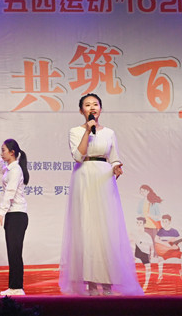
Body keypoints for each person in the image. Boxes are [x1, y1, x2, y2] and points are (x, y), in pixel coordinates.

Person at [59, 93, 143, 296]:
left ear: (101, 109)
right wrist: (88, 131)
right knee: (87, 229)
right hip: (84, 176)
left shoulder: (110, 133)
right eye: (87, 105)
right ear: (82, 111)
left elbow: (114, 158)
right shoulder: (75, 131)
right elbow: (78, 156)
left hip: (104, 178)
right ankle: (89, 283)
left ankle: (107, 283)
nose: (92, 108)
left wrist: (116, 167)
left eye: (95, 104)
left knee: (107, 230)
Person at [0, 139, 30, 296]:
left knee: (15, 252)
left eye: (3, 150)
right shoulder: (10, 169)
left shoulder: (15, 171)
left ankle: (17, 287)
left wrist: (0, 213)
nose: (2, 154)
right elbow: (1, 167)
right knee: (12, 251)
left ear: (12, 152)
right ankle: (14, 286)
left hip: (17, 215)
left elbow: (10, 193)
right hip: (13, 215)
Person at [155, 214, 182, 282]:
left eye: (166, 221)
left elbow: (178, 241)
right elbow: (156, 239)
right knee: (160, 259)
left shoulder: (174, 231)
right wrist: (166, 244)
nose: (164, 223)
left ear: (169, 221)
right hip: (164, 251)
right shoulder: (161, 231)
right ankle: (160, 275)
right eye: (163, 221)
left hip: (172, 250)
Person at [131, 217, 154, 291]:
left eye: (140, 223)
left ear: (144, 224)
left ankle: (146, 283)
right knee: (131, 267)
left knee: (148, 267)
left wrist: (151, 256)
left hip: (145, 253)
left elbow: (152, 247)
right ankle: (132, 282)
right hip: (136, 252)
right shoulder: (133, 234)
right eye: (137, 222)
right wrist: (132, 255)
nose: (138, 224)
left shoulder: (147, 236)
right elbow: (131, 245)